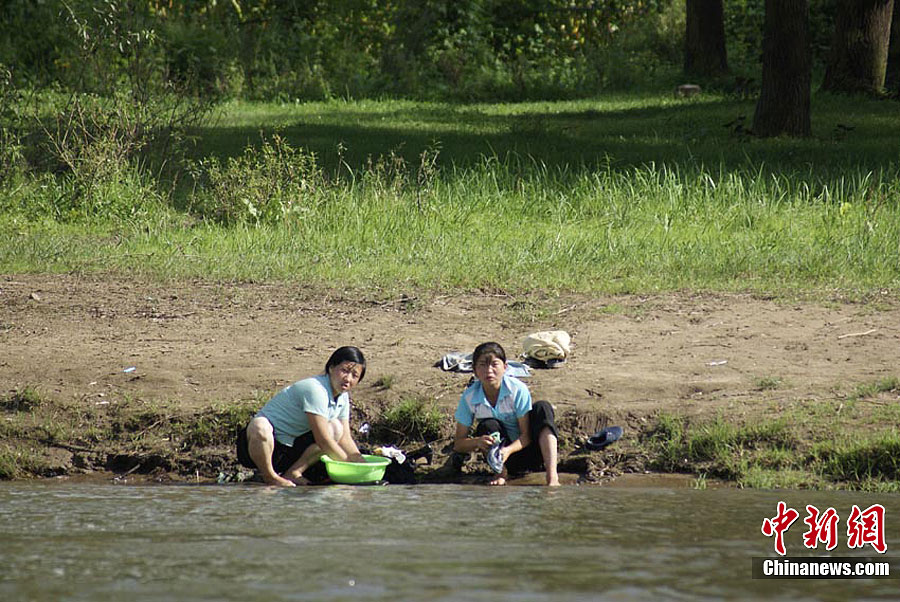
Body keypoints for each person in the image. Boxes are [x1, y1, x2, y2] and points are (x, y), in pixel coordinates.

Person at [236, 346, 368, 486]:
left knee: (336, 428)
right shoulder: (315, 389)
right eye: (344, 371)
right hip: (263, 447)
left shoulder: (343, 397)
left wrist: (362, 465)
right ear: (331, 368)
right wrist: (349, 467)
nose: (348, 379)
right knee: (260, 425)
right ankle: (269, 476)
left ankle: (293, 473)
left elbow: (345, 438)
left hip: (291, 451)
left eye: (355, 375)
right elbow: (322, 440)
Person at [452, 342, 560, 486]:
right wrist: (477, 442)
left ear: (505, 367)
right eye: (483, 365)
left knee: (542, 408)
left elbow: (526, 435)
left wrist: (508, 450)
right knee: (487, 425)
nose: (489, 371)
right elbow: (458, 444)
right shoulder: (469, 397)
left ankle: (552, 476)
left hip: (531, 452)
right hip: (501, 460)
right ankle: (500, 473)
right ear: (475, 370)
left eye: (494, 364)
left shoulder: (517, 390)